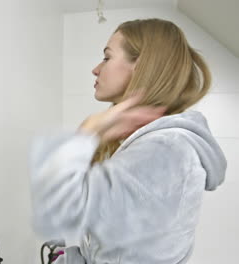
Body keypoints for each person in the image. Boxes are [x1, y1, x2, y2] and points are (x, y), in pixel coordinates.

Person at [30, 18, 227, 264]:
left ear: (142, 65)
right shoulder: (151, 145)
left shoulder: (162, 149)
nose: (95, 69)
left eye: (106, 57)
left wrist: (82, 137)